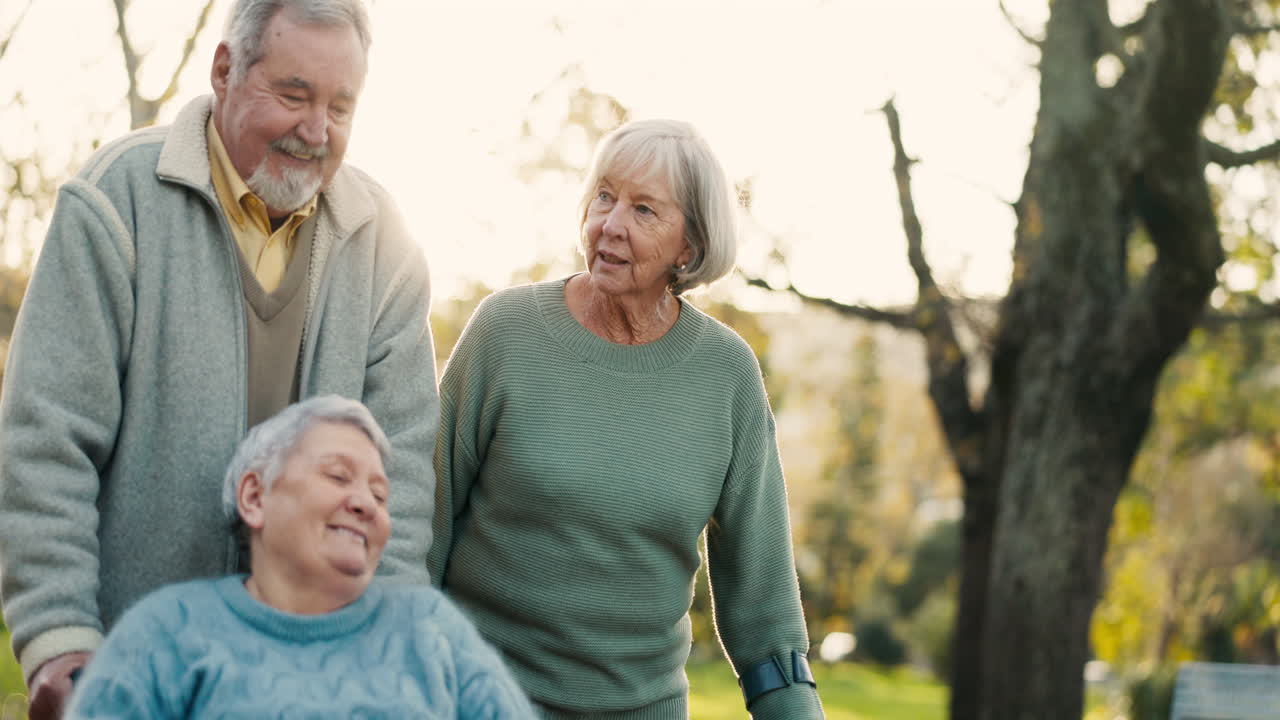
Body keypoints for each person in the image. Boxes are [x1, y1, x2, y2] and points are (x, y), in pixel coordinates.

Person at [0, 1, 438, 717]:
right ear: (225, 71)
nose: (316, 131)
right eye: (293, 95)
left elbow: (402, 481)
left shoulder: (387, 245)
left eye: (339, 107)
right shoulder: (116, 199)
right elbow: (47, 441)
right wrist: (59, 634)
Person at [427, 119, 824, 719]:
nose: (610, 224)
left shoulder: (726, 374)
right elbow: (423, 525)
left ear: (689, 246)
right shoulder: (505, 333)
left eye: (643, 209)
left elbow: (765, 614)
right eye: (604, 196)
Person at [62, 396, 534, 719]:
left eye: (380, 494)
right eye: (338, 476)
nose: (365, 504)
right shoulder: (165, 633)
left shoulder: (432, 630)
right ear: (254, 496)